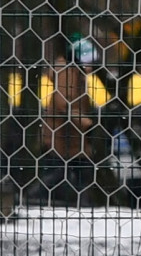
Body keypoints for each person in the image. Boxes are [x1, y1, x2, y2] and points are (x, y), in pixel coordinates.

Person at [35, 52, 96, 206]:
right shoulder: (67, 72)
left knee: (71, 172)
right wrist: (86, 122)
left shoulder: (72, 71)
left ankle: (85, 204)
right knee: (66, 171)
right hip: (65, 134)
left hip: (71, 134)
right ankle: (31, 197)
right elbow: (65, 103)